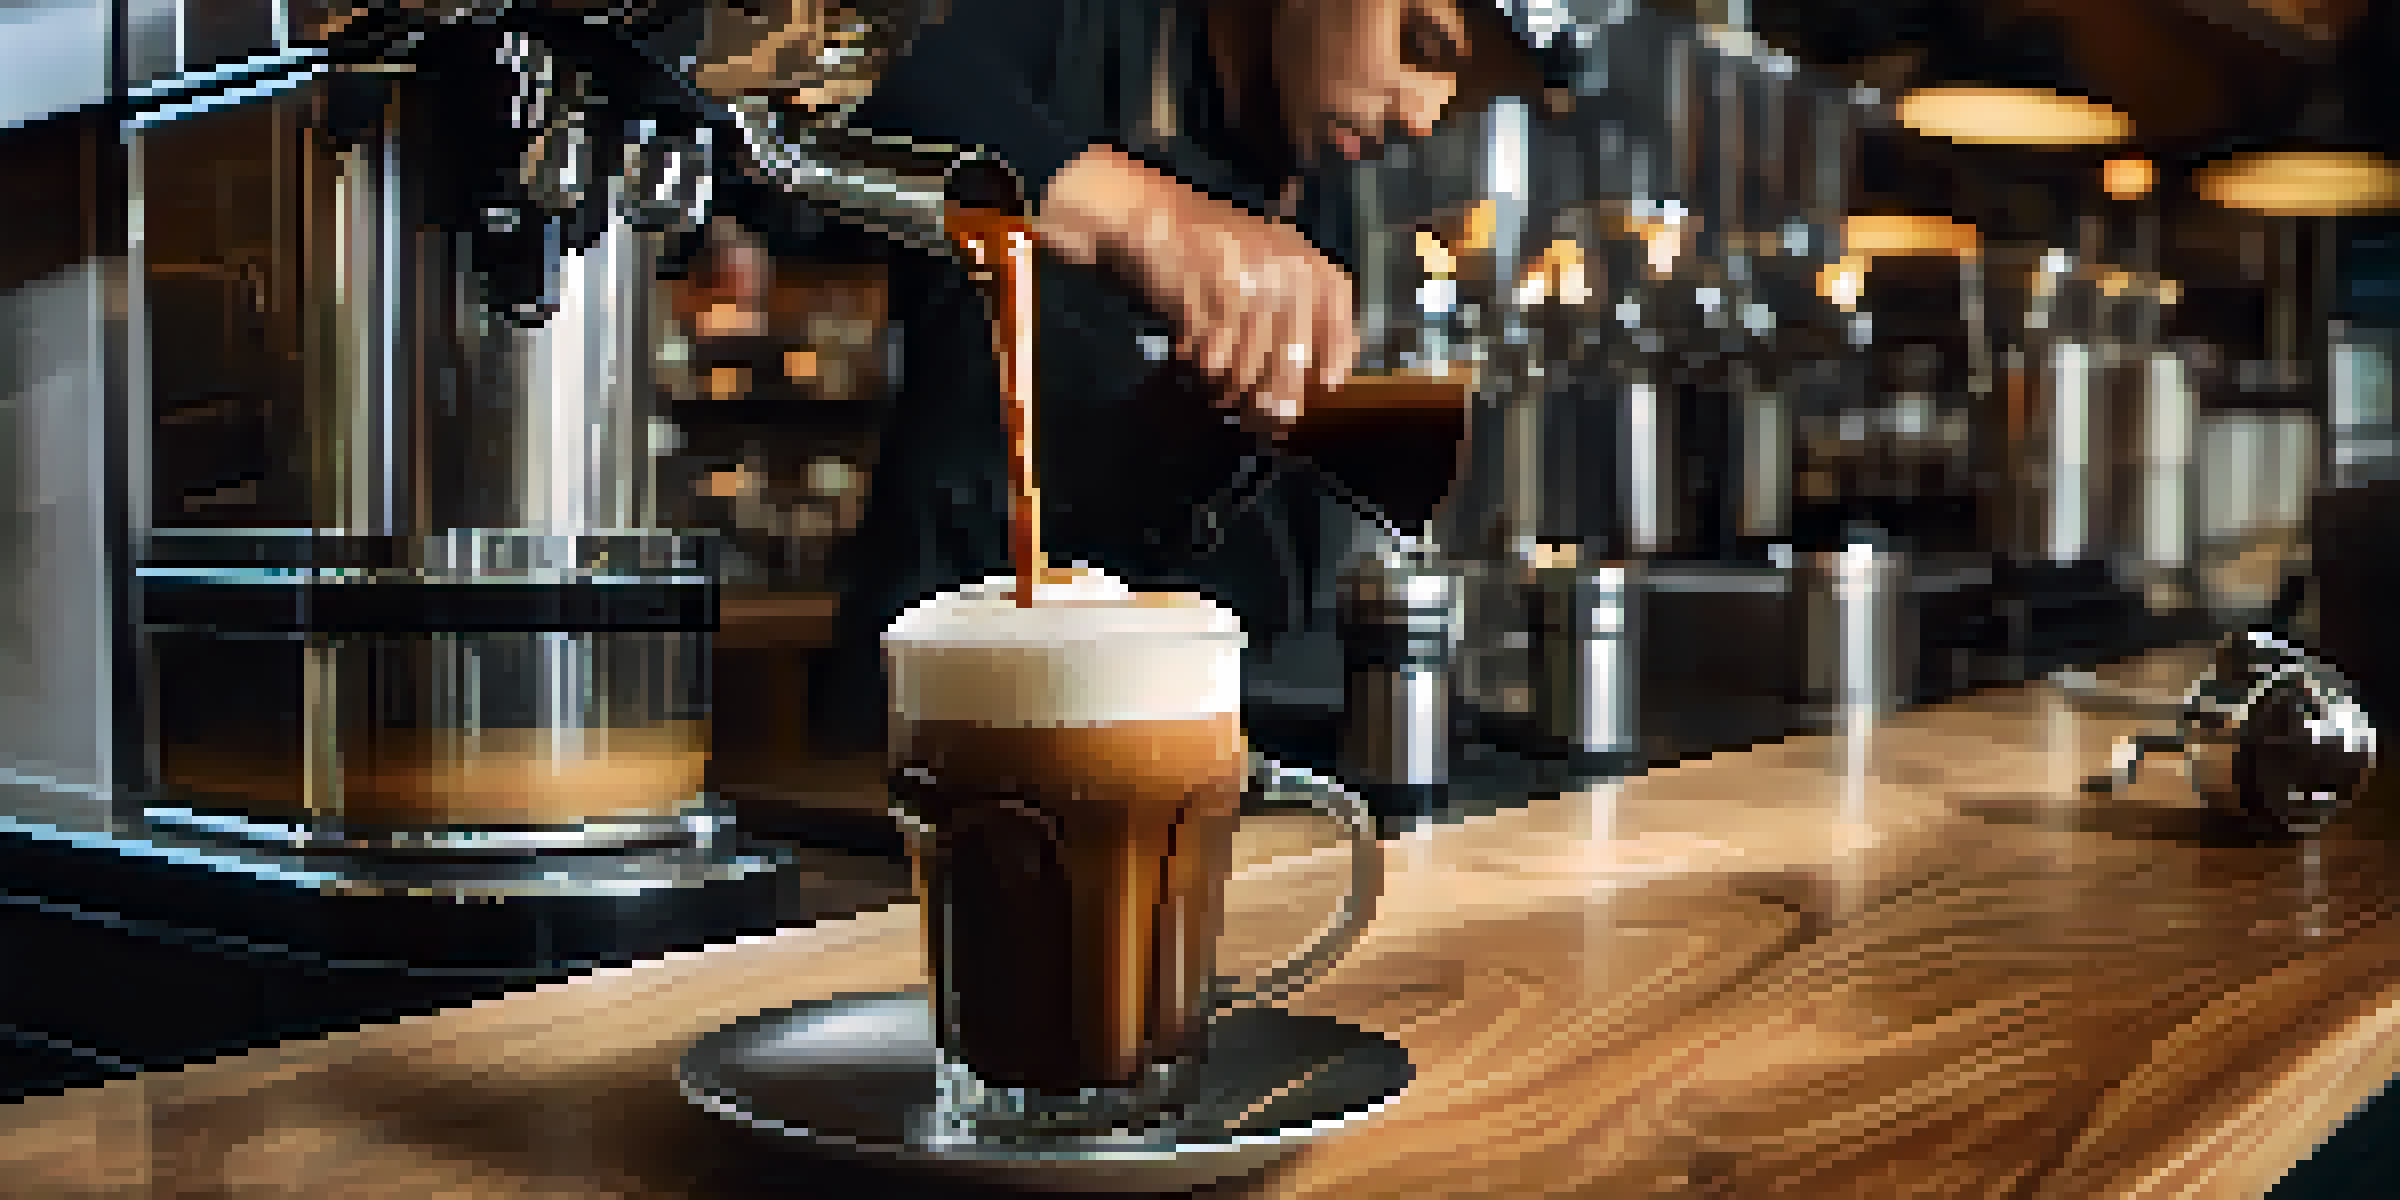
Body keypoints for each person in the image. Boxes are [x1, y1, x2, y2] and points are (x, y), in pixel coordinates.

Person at [809, 0, 1545, 753]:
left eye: (1473, 95)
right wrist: (1142, 216)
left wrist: (1191, 434)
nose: (1425, 116)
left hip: (1198, 742)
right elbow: (829, 73)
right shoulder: (1073, 30)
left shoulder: (1326, 185)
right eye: (1419, 43)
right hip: (945, 722)